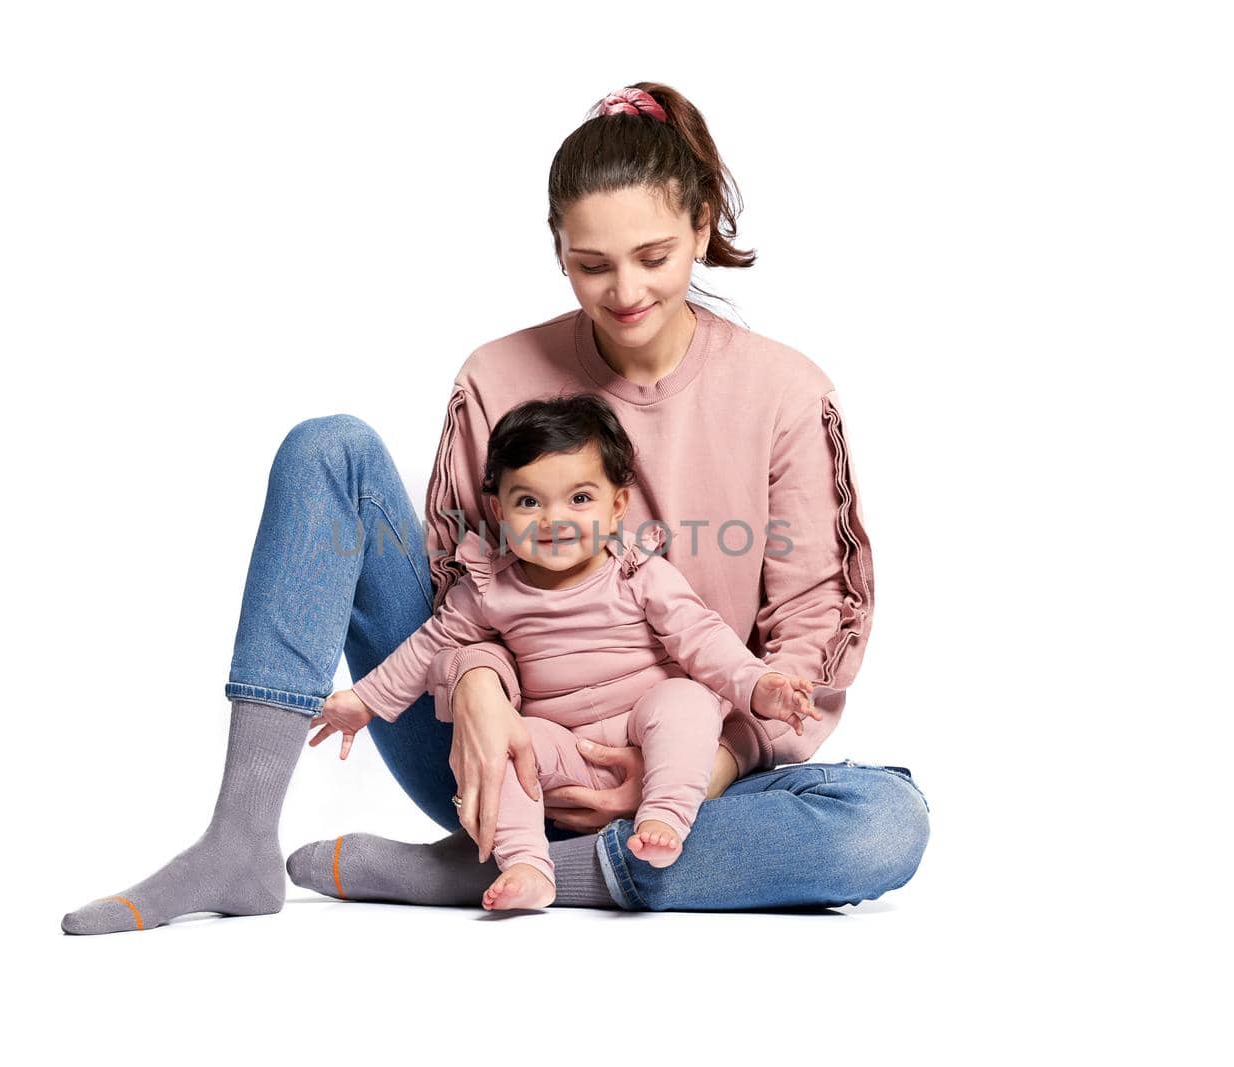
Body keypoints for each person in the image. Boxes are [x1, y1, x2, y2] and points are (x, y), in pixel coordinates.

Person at [61, 81, 929, 935]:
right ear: (558, 249)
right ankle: (239, 839)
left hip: (685, 776)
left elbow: (810, 638)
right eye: (592, 264)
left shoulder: (783, 393)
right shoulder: (496, 376)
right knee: (330, 449)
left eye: (655, 256)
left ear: (702, 225)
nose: (625, 291)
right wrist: (479, 690)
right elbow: (460, 594)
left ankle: (483, 875)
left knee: (885, 823)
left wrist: (699, 769)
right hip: (499, 761)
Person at [313, 394, 827, 910]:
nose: (553, 519)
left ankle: (665, 816)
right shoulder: (491, 588)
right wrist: (363, 702)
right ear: (499, 509)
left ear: (616, 506)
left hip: (651, 740)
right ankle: (528, 865)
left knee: (685, 700)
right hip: (566, 753)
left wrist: (761, 685)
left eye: (579, 499)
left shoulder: (636, 573)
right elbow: (430, 647)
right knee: (513, 744)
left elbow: (703, 639)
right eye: (529, 502)